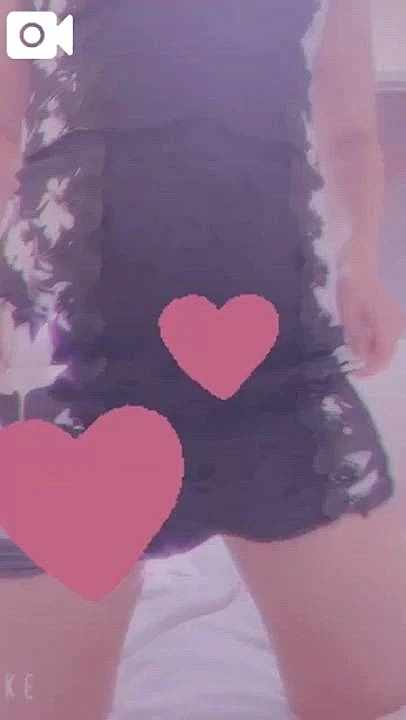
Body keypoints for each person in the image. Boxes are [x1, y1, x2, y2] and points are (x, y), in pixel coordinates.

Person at [0, 0, 405, 718]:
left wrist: (360, 263)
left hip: (279, 374)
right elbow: (13, 116)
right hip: (76, 382)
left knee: (374, 700)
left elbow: (349, 133)